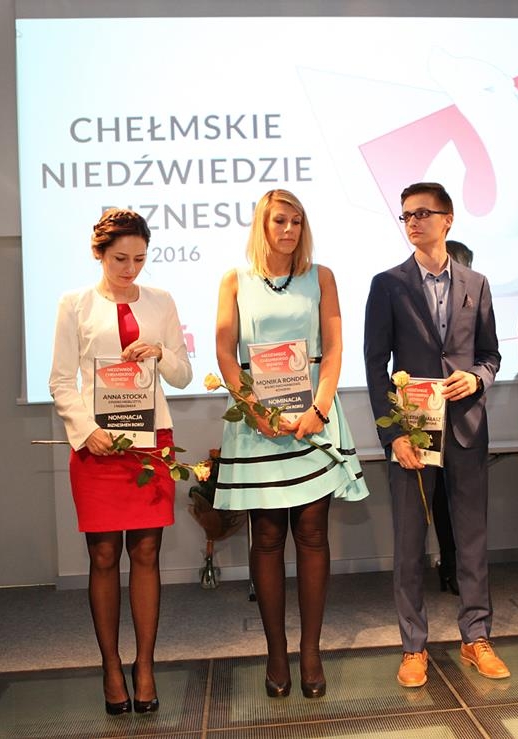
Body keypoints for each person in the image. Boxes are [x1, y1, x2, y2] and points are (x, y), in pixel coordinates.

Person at [213, 189, 369, 700]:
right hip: (257, 422)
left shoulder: (321, 277)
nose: (288, 230)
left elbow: (335, 346)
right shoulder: (234, 281)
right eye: (280, 221)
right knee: (266, 537)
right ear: (262, 225)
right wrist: (254, 409)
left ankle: (312, 651)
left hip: (313, 418)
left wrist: (319, 409)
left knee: (313, 534)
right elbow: (225, 352)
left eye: (296, 222)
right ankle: (276, 652)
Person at [49, 208, 193, 715]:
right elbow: (61, 381)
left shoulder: (161, 301)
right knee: (104, 557)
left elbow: (182, 374)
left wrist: (161, 354)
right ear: (100, 254)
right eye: (120, 259)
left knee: (147, 554)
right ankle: (111, 667)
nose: (130, 269)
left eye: (139, 259)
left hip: (151, 443)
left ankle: (145, 665)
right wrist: (86, 431)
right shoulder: (75, 305)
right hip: (97, 446)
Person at [364, 182, 507, 688]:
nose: (413, 222)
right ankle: (413, 646)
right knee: (409, 544)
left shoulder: (477, 283)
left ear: (448, 219)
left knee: (471, 540)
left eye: (423, 213)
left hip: (466, 427)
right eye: (406, 215)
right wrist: (392, 437)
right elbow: (375, 366)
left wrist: (478, 378)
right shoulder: (388, 284)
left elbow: (491, 355)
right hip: (412, 432)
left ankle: (476, 637)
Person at [429, 239, 473, 596]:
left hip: (465, 415)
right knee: (440, 498)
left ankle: (462, 567)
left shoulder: (477, 296)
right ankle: (449, 563)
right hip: (427, 412)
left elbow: (487, 354)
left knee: (464, 500)